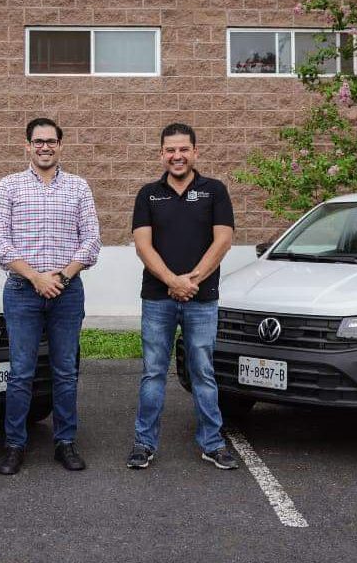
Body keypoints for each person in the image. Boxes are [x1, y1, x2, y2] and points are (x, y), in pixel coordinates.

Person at [0, 117, 101, 475]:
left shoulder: (79, 188)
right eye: (38, 141)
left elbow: (92, 242)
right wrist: (36, 278)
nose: (45, 147)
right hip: (22, 291)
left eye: (51, 141)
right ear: (27, 146)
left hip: (67, 293)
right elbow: (0, 245)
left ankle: (65, 443)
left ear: (60, 146)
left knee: (65, 371)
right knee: (21, 372)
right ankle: (14, 445)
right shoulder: (9, 187)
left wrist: (61, 278)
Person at [126, 123, 239, 470]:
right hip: (158, 299)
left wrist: (192, 280)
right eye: (170, 150)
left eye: (184, 149)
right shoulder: (148, 194)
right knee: (153, 373)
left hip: (202, 299)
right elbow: (143, 245)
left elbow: (223, 240)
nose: (177, 156)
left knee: (203, 371)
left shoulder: (215, 191)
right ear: (161, 154)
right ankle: (144, 444)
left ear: (195, 152)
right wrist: (172, 281)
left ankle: (212, 443)